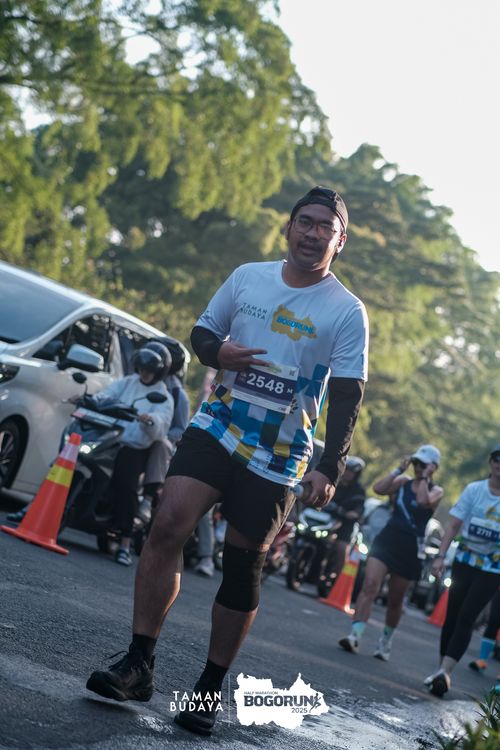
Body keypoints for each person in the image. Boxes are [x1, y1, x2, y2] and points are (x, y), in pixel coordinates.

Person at [86, 185, 369, 735]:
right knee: (167, 524)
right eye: (305, 222)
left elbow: (347, 394)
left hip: (281, 450)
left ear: (340, 241)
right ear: (289, 226)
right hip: (218, 424)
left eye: (325, 228)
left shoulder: (346, 311)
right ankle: (138, 663)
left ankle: (207, 690)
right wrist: (219, 353)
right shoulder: (248, 278)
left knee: (243, 564)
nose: (313, 233)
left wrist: (330, 466)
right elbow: (201, 334)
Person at [339, 445, 443, 661]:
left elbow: (422, 501)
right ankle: (354, 635)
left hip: (410, 549)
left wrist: (424, 477)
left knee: (395, 601)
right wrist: (398, 470)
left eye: (423, 464)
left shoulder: (436, 491)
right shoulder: (402, 482)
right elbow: (378, 489)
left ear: (433, 467)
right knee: (369, 586)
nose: (417, 467)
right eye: (416, 463)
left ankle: (385, 641)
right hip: (388, 539)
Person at [424, 444, 500, 697]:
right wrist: (440, 556)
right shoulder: (474, 490)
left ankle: (446, 671)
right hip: (464, 560)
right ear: (491, 462)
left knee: (467, 615)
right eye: (497, 459)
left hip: (492, 567)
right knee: (453, 615)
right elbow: (454, 526)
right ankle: (440, 670)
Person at [90, 344, 173, 566]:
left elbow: (161, 424)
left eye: (149, 370)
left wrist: (150, 420)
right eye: (142, 368)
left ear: (158, 372)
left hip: (134, 447)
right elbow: (107, 395)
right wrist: (90, 399)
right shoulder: (128, 382)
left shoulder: (163, 397)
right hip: (110, 438)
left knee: (126, 486)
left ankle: (125, 543)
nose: (144, 373)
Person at [138, 341, 191, 524]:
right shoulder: (136, 380)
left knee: (160, 445)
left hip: (160, 440)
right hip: (136, 431)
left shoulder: (177, 394)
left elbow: (180, 429)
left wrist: (159, 432)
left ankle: (147, 498)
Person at [322, 456, 366, 581]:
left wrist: (353, 514)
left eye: (351, 472)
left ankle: (339, 578)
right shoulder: (333, 482)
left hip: (345, 524)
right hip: (327, 519)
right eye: (346, 470)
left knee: (341, 547)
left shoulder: (359, 491)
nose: (347, 473)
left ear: (356, 474)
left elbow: (359, 509)